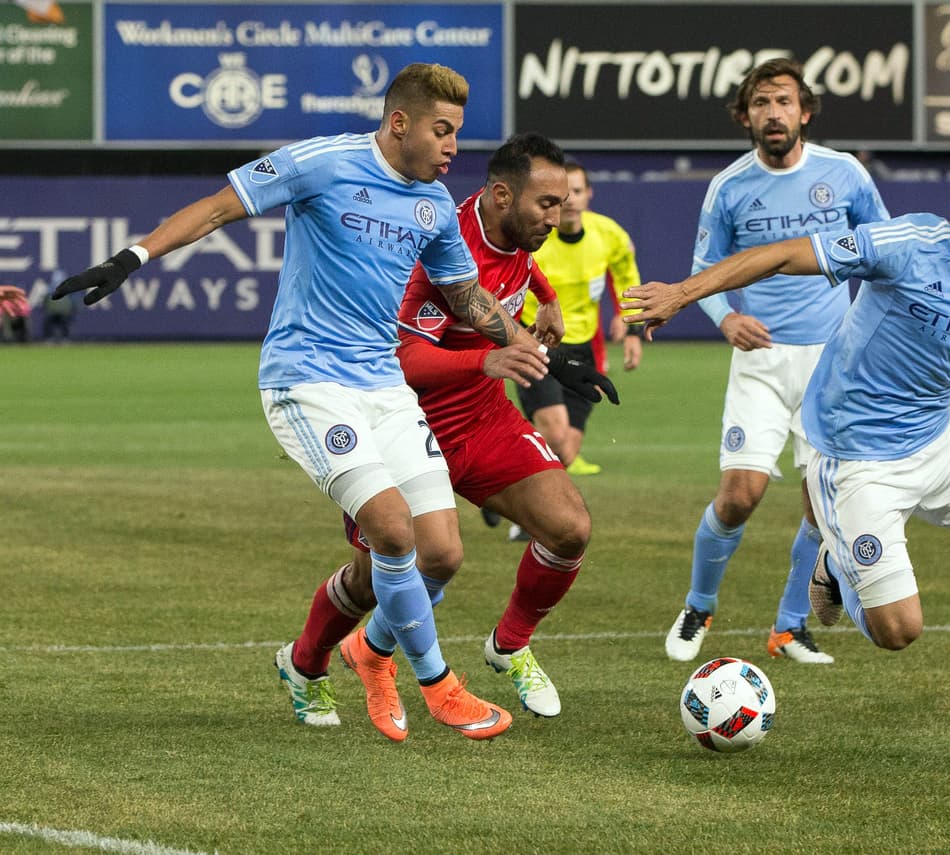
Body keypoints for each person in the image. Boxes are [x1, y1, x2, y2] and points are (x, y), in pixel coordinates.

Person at [52, 63, 553, 742]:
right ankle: (439, 686)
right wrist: (132, 258)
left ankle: (310, 660)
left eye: (456, 132)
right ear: (399, 122)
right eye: (442, 130)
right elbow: (218, 207)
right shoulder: (323, 162)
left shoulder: (435, 204)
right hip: (307, 381)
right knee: (393, 530)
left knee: (441, 552)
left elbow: (467, 297)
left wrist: (536, 349)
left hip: (382, 385)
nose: (452, 147)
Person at [623, 158, 950, 731]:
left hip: (938, 439)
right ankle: (836, 565)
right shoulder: (906, 244)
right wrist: (684, 293)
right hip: (854, 453)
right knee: (898, 632)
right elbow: (784, 254)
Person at [286, 133, 616, 741]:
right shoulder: (440, 244)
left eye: (562, 202)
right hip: (402, 421)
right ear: (501, 196)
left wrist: (546, 298)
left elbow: (518, 266)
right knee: (376, 576)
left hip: (482, 418)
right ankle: (305, 663)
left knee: (569, 528)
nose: (558, 216)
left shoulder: (515, 231)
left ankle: (507, 646)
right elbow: (402, 359)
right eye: (547, 204)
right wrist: (485, 361)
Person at [662, 58, 889, 666]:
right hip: (760, 362)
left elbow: (885, 251)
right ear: (745, 116)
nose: (773, 112)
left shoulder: (845, 174)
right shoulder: (729, 187)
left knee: (821, 502)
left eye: (784, 100)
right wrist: (725, 319)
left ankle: (789, 628)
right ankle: (699, 605)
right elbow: (703, 272)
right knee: (740, 495)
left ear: (804, 111)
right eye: (760, 102)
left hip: (831, 366)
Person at [519, 162, 644, 477]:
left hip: (584, 346)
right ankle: (501, 481)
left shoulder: (609, 234)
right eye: (563, 194)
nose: (571, 200)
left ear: (589, 193)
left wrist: (632, 327)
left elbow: (627, 276)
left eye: (577, 191)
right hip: (537, 343)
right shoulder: (534, 237)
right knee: (555, 432)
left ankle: (507, 478)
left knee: (566, 452)